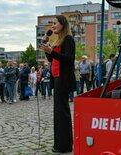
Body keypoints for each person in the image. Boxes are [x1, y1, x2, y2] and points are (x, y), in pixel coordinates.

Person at [41, 15, 76, 153]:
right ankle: (61, 143)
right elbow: (52, 60)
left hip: (64, 78)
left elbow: (69, 59)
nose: (52, 26)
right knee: (59, 112)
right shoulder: (59, 39)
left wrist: (51, 52)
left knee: (62, 112)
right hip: (57, 78)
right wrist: (47, 49)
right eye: (52, 24)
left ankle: (64, 146)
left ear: (62, 24)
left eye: (55, 23)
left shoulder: (68, 39)